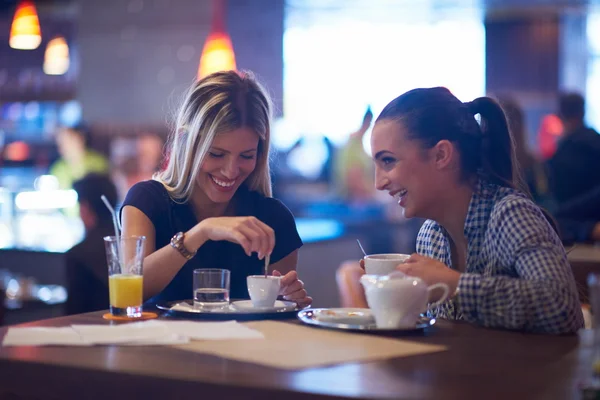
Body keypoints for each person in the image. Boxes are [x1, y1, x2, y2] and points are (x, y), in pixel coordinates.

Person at [340, 87, 583, 334]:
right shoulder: (430, 235)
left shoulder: (510, 214)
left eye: (388, 161)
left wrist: (454, 284)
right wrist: (398, 294)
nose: (378, 183)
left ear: (441, 155)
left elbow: (563, 309)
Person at [121, 70, 311, 307]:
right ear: (185, 143)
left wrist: (290, 300)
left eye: (246, 156)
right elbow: (129, 292)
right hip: (160, 343)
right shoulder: (146, 201)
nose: (231, 171)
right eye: (216, 154)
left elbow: (275, 317)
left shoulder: (273, 218)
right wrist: (201, 232)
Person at [65, 173, 118, 314]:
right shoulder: (129, 245)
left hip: (91, 329)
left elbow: (73, 310)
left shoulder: (78, 254)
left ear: (85, 207)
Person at [547, 93, 600, 205]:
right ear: (583, 112)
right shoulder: (597, 140)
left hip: (569, 217)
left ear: (561, 115)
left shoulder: (563, 152)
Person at [333, 106, 375, 203]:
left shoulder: (360, 144)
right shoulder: (353, 143)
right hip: (352, 199)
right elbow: (352, 176)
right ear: (368, 121)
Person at [50, 124, 110, 190]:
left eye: (68, 140)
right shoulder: (58, 169)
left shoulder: (99, 162)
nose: (65, 146)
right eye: (61, 143)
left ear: (80, 138)